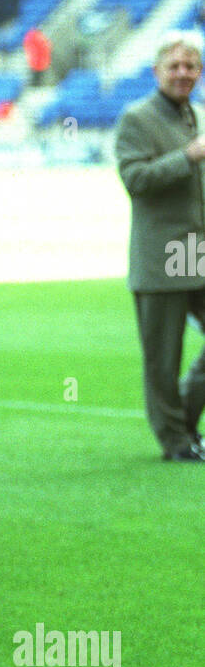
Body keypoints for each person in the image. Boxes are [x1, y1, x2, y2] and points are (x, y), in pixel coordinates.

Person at [115, 30, 205, 460]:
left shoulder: (199, 115)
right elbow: (135, 179)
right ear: (157, 71)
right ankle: (176, 442)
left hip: (198, 253)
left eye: (191, 66)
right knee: (162, 361)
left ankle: (184, 425)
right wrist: (188, 157)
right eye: (175, 66)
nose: (183, 73)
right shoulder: (137, 118)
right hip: (161, 256)